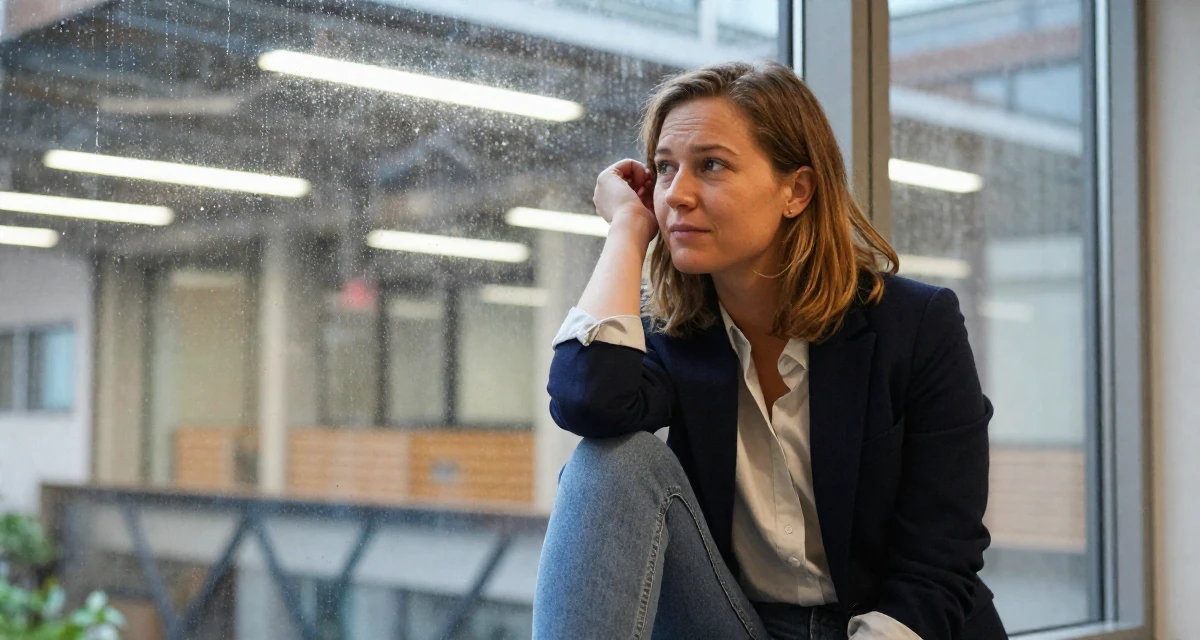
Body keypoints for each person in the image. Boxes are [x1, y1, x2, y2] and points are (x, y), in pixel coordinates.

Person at [532, 61, 1007, 640]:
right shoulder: (673, 335)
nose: (675, 195)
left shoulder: (915, 325)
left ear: (796, 190)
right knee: (614, 462)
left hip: (893, 627)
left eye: (710, 165)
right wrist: (627, 231)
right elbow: (588, 403)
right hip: (743, 625)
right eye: (663, 169)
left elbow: (942, 559)